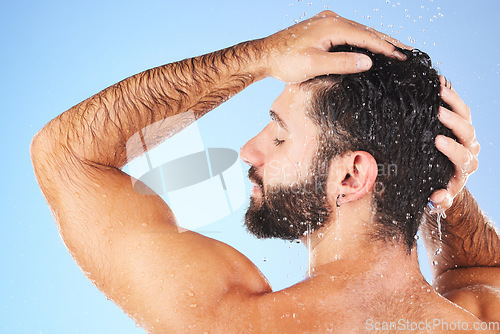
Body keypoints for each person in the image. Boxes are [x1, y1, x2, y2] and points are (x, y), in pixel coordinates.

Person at [31, 11, 498, 333]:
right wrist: (437, 183)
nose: (250, 150)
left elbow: (66, 155)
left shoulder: (226, 320)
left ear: (351, 177)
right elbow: (483, 267)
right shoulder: (482, 315)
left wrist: (257, 57)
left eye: (279, 135)